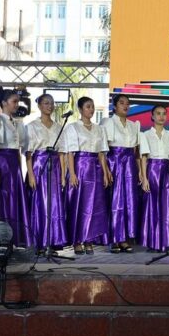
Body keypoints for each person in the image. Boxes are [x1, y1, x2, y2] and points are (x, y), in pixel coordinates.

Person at [61, 96, 112, 255]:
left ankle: (89, 239)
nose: (91, 109)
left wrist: (105, 173)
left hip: (95, 169)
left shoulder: (99, 129)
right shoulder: (73, 127)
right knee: (79, 204)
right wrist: (72, 173)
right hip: (80, 167)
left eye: (92, 106)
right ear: (80, 109)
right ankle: (77, 240)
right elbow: (70, 152)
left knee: (94, 205)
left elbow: (102, 154)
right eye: (88, 106)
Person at [0, 87, 31, 246]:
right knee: (3, 197)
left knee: (15, 198)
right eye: (14, 102)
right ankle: (1, 238)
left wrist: (20, 168)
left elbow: (20, 148)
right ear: (4, 103)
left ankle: (15, 237)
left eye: (18, 102)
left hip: (14, 163)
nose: (17, 105)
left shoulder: (18, 123)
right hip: (1, 161)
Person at [24, 93, 67, 255]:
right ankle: (39, 242)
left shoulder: (58, 127)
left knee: (54, 204)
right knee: (40, 203)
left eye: (52, 103)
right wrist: (31, 175)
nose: (50, 106)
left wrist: (63, 175)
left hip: (55, 166)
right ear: (39, 106)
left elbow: (62, 153)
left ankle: (52, 241)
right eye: (46, 103)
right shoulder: (31, 126)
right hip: (39, 164)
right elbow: (28, 153)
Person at [139, 106, 169, 251]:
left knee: (168, 206)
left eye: (164, 114)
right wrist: (144, 178)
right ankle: (153, 242)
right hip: (152, 170)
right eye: (158, 114)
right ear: (152, 116)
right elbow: (144, 157)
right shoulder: (145, 134)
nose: (161, 116)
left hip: (167, 170)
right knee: (152, 205)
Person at [103, 94, 142, 252]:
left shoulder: (134, 125)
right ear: (114, 106)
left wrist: (140, 171)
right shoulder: (108, 122)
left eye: (127, 103)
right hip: (115, 162)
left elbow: (136, 151)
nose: (125, 106)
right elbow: (103, 149)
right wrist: (106, 170)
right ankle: (114, 238)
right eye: (121, 103)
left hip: (130, 164)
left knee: (128, 200)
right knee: (115, 200)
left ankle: (124, 238)